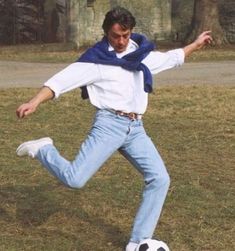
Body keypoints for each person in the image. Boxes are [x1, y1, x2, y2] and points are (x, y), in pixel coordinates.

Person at [16, 6, 212, 251]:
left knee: (160, 179)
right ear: (106, 33)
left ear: (131, 32)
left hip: (135, 128)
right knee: (75, 179)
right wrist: (34, 101)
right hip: (108, 126)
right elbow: (61, 81)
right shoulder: (96, 59)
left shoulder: (141, 55)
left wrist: (195, 44)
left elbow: (171, 58)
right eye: (115, 36)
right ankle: (44, 149)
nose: (120, 41)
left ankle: (138, 241)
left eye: (125, 35)